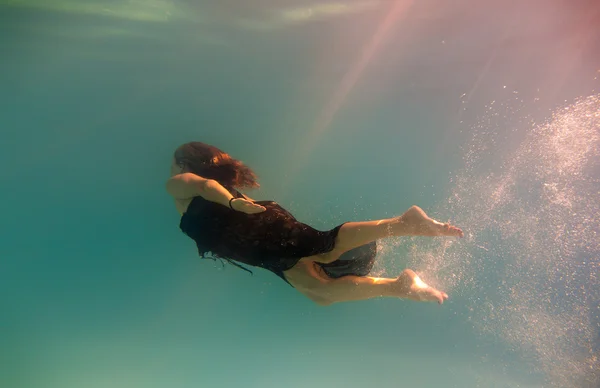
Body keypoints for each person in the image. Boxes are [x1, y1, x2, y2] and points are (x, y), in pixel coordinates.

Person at [167, 142, 464, 306]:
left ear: (183, 163)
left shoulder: (178, 184)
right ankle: (400, 286)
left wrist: (232, 202)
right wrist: (233, 202)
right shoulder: (200, 192)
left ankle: (404, 224)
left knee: (325, 249)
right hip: (255, 244)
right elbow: (209, 189)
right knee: (320, 294)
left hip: (257, 229)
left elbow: (204, 187)